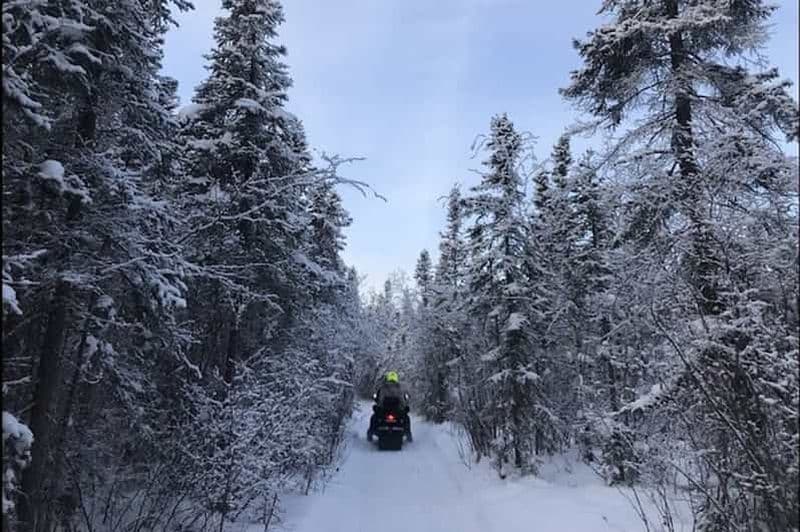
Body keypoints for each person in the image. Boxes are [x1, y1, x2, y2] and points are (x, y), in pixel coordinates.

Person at [367, 370, 412, 442]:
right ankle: (408, 434)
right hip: (397, 412)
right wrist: (404, 407)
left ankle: (370, 433)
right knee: (406, 418)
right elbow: (402, 401)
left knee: (374, 418)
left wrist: (378, 406)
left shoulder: (383, 387)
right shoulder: (399, 388)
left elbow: (380, 400)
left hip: (384, 411)